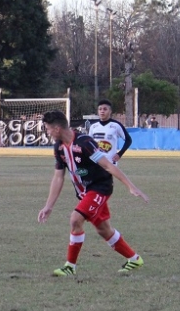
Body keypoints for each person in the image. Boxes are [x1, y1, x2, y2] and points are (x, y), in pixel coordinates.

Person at [37, 110, 149, 277]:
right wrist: (48, 206)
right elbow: (58, 177)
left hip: (100, 187)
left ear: (57, 129)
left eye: (48, 128)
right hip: (84, 192)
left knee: (75, 219)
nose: (47, 132)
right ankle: (134, 259)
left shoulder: (85, 142)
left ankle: (70, 266)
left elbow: (108, 165)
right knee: (103, 229)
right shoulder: (59, 147)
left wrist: (130, 186)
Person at [88, 99, 133, 165]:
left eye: (105, 109)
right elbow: (89, 143)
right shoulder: (93, 126)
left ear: (110, 111)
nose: (102, 111)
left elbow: (128, 140)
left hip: (110, 162)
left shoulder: (116, 125)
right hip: (96, 162)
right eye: (100, 109)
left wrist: (120, 154)